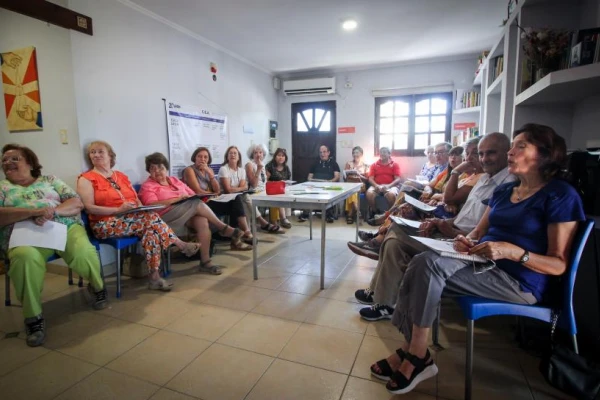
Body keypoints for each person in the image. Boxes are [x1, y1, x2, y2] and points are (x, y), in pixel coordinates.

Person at [372, 123, 584, 395]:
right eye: (513, 145)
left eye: (521, 146)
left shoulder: (560, 196)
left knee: (426, 266)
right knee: (423, 261)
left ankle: (413, 353)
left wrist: (512, 251)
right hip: (481, 263)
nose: (511, 151)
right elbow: (477, 233)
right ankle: (416, 352)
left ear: (545, 155)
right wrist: (466, 241)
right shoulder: (504, 192)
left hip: (519, 281)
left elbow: (559, 264)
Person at [353, 132, 515, 321]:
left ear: (507, 153)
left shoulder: (506, 185)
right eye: (479, 153)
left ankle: (376, 251)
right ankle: (382, 299)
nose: (482, 158)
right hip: (450, 229)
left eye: (490, 153)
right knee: (394, 240)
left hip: (462, 242)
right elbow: (461, 214)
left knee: (396, 232)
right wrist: (441, 223)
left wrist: (450, 228)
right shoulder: (485, 179)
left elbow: (480, 230)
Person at [0, 144, 107, 347]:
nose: (8, 163)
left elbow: (76, 203)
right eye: (4, 160)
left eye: (14, 159)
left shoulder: (49, 180)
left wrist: (52, 212)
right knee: (24, 258)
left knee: (83, 251)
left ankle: (98, 286)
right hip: (24, 236)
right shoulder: (2, 188)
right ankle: (33, 318)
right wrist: (31, 212)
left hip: (64, 227)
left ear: (30, 163)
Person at [77, 140, 200, 292]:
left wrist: (139, 207)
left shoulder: (121, 176)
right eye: (92, 152)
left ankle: (155, 277)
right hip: (104, 223)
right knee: (150, 220)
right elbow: (88, 208)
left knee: (151, 229)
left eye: (100, 151)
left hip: (132, 219)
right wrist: (117, 210)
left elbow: (136, 199)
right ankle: (180, 244)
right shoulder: (86, 178)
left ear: (110, 155)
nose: (96, 155)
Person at [348, 143, 475, 260]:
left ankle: (381, 229)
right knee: (399, 197)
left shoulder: (461, 175)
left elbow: (448, 198)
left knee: (403, 202)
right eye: (436, 153)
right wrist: (430, 191)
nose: (438, 155)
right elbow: (431, 185)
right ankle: (379, 232)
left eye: (441, 153)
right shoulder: (446, 171)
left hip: (436, 206)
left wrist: (435, 196)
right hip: (427, 198)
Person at [139, 153, 250, 275]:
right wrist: (175, 200)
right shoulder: (148, 186)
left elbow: (191, 193)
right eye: (152, 168)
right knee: (196, 204)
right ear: (149, 171)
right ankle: (223, 228)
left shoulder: (174, 180)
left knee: (201, 220)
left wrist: (186, 198)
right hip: (164, 219)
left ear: (166, 168)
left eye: (160, 167)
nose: (157, 171)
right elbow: (151, 205)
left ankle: (205, 262)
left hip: (184, 213)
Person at [182, 147, 254, 244]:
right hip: (200, 203)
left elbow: (217, 190)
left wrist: (211, 175)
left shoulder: (208, 170)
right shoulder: (189, 170)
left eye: (205, 157)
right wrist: (214, 193)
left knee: (235, 199)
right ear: (195, 158)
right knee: (235, 202)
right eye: (200, 156)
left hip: (210, 200)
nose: (202, 159)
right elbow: (198, 191)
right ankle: (239, 235)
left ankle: (242, 233)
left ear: (208, 160)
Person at [219, 145, 283, 233]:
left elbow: (244, 187)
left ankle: (251, 229)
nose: (258, 155)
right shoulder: (248, 165)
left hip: (249, 193)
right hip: (250, 193)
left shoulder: (242, 170)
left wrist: (238, 188)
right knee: (245, 197)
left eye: (260, 152)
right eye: (255, 153)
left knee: (277, 194)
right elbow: (252, 185)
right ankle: (260, 224)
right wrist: (258, 169)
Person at [298, 145, 341, 223]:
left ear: (328, 153)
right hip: (316, 185)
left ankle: (329, 214)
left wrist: (330, 182)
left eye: (324, 152)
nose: (322, 154)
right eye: (320, 152)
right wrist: (313, 180)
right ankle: (306, 213)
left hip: (329, 185)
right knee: (307, 190)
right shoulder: (315, 163)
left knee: (329, 192)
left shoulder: (334, 163)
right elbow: (309, 177)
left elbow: (337, 177)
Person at [365, 147, 401, 213]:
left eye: (384, 152)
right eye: (381, 152)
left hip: (391, 186)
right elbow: (370, 178)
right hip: (376, 185)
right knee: (369, 193)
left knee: (391, 195)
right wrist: (376, 186)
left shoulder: (395, 165)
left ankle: (391, 214)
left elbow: (398, 179)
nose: (382, 154)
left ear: (389, 154)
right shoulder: (374, 165)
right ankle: (374, 212)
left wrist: (388, 186)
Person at [265, 147, 293, 229]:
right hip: (271, 189)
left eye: (283, 156)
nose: (281, 157)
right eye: (279, 155)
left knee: (283, 194)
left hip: (283, 189)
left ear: (285, 158)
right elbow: (265, 181)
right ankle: (279, 220)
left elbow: (288, 180)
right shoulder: (270, 166)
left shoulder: (286, 167)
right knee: (277, 197)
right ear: (275, 156)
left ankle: (282, 219)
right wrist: (277, 183)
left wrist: (285, 183)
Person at [343, 146, 369, 224]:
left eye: (357, 152)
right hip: (350, 185)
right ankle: (357, 211)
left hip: (361, 185)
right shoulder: (348, 164)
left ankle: (350, 214)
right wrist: (350, 175)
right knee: (352, 190)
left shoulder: (366, 165)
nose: (355, 154)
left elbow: (367, 179)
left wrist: (358, 175)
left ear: (361, 154)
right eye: (353, 153)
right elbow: (345, 177)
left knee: (353, 190)